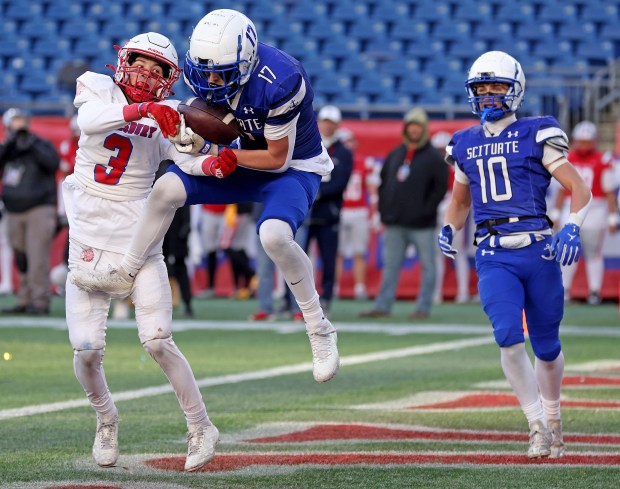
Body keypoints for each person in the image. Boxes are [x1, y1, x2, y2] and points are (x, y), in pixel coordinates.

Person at [70, 9, 339, 384]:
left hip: (292, 167)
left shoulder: (281, 80)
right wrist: (193, 142)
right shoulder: (209, 69)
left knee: (274, 235)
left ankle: (318, 327)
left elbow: (276, 159)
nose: (210, 81)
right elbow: (207, 137)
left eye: (221, 74)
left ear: (245, 62)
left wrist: (217, 154)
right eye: (205, 71)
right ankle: (126, 273)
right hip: (238, 159)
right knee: (166, 188)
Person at [62, 32, 220, 472]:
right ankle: (106, 416)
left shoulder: (167, 113)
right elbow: (91, 123)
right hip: (90, 233)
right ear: (123, 60)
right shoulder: (96, 85)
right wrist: (144, 109)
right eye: (141, 63)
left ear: (169, 80)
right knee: (87, 349)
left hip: (138, 237)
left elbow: (185, 157)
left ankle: (200, 424)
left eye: (157, 71)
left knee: (157, 340)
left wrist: (214, 161)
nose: (146, 75)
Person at [437, 51, 592, 458]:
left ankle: (555, 417)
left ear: (515, 89)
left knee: (546, 344)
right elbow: (460, 201)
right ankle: (536, 424)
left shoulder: (537, 131)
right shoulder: (464, 142)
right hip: (492, 253)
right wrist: (449, 226)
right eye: (480, 89)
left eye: (497, 87)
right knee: (507, 337)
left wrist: (572, 224)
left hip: (537, 249)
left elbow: (580, 188)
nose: (488, 96)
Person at [360, 107, 448, 319]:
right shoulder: (396, 153)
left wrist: (426, 211)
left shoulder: (433, 157)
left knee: (428, 265)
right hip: (395, 222)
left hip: (422, 224)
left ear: (424, 128)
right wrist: (384, 210)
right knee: (390, 266)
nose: (414, 130)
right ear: (406, 128)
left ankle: (423, 307)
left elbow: (440, 188)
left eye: (418, 126)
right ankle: (383, 305)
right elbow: (384, 183)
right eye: (411, 126)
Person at [549, 121, 618, 304]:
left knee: (593, 252)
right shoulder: (568, 158)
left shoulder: (602, 160)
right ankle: (564, 289)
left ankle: (595, 291)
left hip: (596, 208)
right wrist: (555, 213)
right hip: (570, 208)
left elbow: (609, 191)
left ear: (594, 141)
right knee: (567, 250)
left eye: (587, 141)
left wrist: (612, 216)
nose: (584, 145)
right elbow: (562, 190)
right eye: (581, 141)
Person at [292, 105, 353, 315]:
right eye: (324, 121)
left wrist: (314, 193)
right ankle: (294, 300)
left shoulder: (343, 152)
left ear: (337, 125)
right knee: (296, 259)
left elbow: (340, 182)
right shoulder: (309, 145)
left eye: (331, 122)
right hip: (305, 213)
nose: (327, 126)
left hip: (328, 213)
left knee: (328, 259)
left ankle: (325, 297)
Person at [0, 108, 60, 315]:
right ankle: (24, 299)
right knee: (21, 257)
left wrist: (31, 144)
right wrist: (9, 146)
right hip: (13, 209)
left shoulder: (40, 143)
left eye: (22, 120)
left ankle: (40, 301)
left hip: (39, 207)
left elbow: (53, 164)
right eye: (15, 121)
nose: (19, 125)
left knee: (37, 257)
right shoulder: (8, 148)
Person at [334, 127, 379, 301]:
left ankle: (359, 288)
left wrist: (375, 213)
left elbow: (373, 190)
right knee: (337, 253)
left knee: (359, 252)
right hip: (340, 211)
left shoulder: (363, 162)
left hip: (359, 211)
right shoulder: (332, 161)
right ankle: (336, 288)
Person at [431, 130, 472, 304]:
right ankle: (437, 293)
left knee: (458, 253)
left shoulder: (457, 166)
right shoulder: (435, 165)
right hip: (439, 208)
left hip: (451, 207)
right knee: (438, 254)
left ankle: (462, 292)